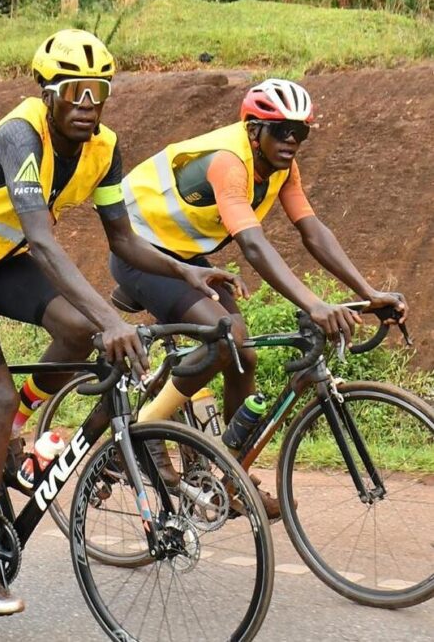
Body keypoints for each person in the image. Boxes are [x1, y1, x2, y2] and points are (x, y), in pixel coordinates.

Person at [0, 29, 244, 616]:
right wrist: (112, 316)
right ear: (47, 92)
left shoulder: (105, 147)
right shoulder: (19, 136)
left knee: (79, 332)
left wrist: (187, 275)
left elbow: (124, 240)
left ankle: (12, 425)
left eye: (98, 91)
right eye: (73, 90)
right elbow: (44, 241)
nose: (87, 103)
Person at [113, 78, 407, 518]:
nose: (291, 141)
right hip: (140, 252)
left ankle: (229, 474)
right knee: (226, 336)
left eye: (300, 132)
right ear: (254, 130)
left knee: (243, 355)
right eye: (280, 130)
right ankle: (140, 436)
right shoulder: (230, 162)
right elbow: (253, 245)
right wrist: (314, 304)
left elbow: (311, 229)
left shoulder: (281, 165)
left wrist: (367, 292)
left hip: (187, 254)